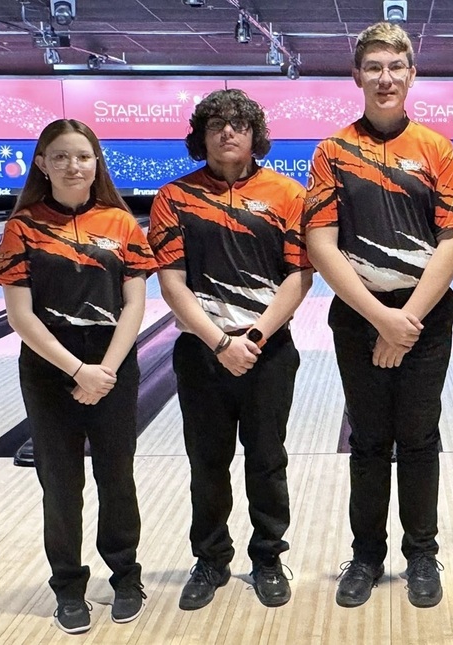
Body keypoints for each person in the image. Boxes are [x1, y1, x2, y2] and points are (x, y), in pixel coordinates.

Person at [304, 21, 453, 609]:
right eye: (372, 67)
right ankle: (367, 556)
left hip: (425, 321)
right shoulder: (331, 151)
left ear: (411, 74)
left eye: (394, 67)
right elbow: (321, 244)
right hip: (359, 318)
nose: (384, 78)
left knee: (421, 439)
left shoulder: (437, 149)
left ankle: (421, 554)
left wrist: (408, 321)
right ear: (357, 76)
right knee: (370, 440)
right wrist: (380, 318)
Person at [0, 119, 155, 634]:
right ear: (41, 163)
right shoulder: (22, 227)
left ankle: (126, 576)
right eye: (59, 156)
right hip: (49, 368)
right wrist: (77, 369)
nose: (72, 165)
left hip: (112, 363)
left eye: (82, 156)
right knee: (60, 485)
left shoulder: (122, 222)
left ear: (96, 161)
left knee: (116, 477)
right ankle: (68, 586)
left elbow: (134, 303)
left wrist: (104, 368)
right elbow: (19, 315)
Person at [149, 89, 312, 610]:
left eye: (238, 124)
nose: (227, 132)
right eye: (216, 123)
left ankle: (267, 557)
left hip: (268, 350)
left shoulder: (287, 194)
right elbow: (171, 283)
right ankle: (211, 558)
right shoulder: (173, 197)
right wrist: (220, 342)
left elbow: (298, 277)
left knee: (267, 460)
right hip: (202, 353)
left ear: (253, 134)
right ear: (202, 135)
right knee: (207, 462)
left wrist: (255, 338)